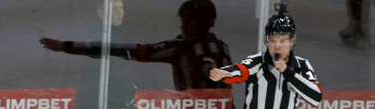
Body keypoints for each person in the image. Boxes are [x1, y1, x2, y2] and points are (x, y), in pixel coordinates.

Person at [41, 0, 233, 95]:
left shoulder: (181, 47)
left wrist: (66, 46)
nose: (182, 25)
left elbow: (129, 51)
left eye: (185, 21)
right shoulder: (220, 47)